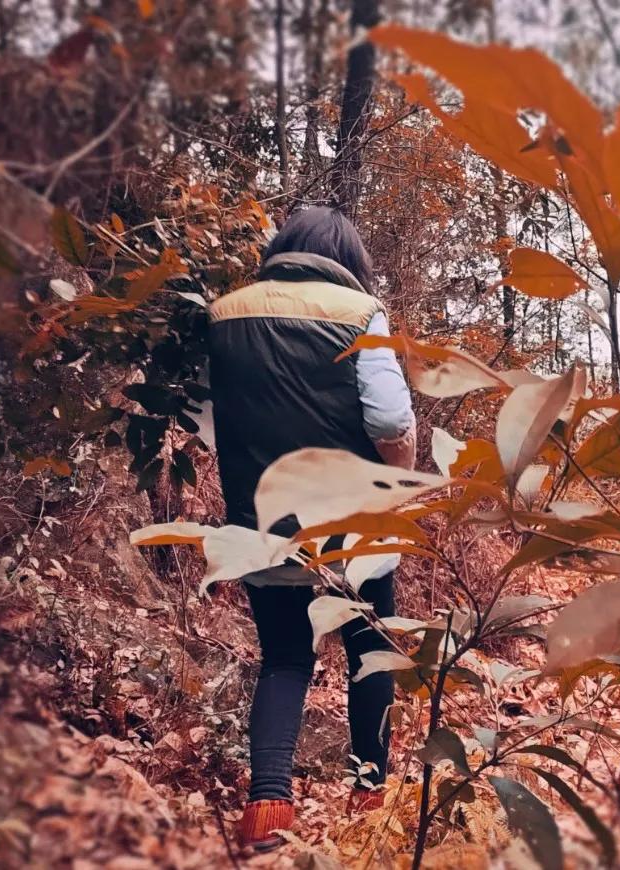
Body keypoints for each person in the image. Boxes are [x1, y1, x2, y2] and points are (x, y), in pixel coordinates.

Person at [208, 206, 416, 853]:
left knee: (286, 659)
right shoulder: (360, 312)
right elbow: (391, 423)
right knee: (368, 656)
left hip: (262, 525)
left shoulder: (224, 314)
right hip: (353, 529)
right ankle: (369, 797)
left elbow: (205, 417)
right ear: (348, 259)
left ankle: (268, 809)